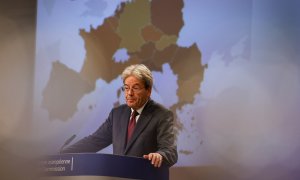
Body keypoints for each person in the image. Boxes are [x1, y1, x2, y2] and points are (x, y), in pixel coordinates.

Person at [61, 64, 178, 167]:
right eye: (126, 88)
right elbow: (94, 141)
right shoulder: (117, 114)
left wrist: (160, 155)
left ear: (149, 90)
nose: (129, 93)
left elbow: (171, 152)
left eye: (135, 88)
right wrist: (62, 155)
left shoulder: (162, 115)